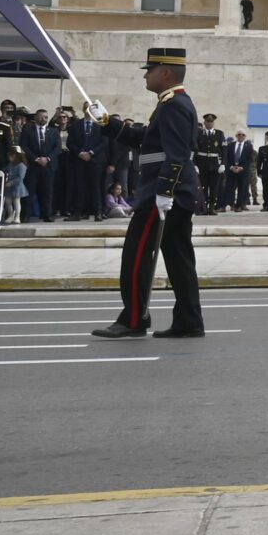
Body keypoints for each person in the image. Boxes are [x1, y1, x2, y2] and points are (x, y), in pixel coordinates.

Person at [89, 46, 206, 339]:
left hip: (162, 195)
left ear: (165, 73)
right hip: (173, 194)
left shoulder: (175, 105)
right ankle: (188, 320)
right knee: (179, 259)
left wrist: (165, 192)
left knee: (137, 255)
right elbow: (146, 141)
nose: (146, 76)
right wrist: (106, 123)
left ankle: (133, 319)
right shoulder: (171, 104)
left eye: (150, 70)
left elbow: (177, 155)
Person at [193, 113, 225, 216]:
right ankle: (203, 207)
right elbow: (194, 149)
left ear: (213, 123)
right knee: (203, 187)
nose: (209, 124)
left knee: (214, 187)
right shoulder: (199, 133)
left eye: (211, 122)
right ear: (204, 122)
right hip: (202, 164)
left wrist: (223, 164)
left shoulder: (219, 134)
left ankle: (211, 207)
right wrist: (194, 164)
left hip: (215, 165)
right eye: (207, 122)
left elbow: (224, 150)